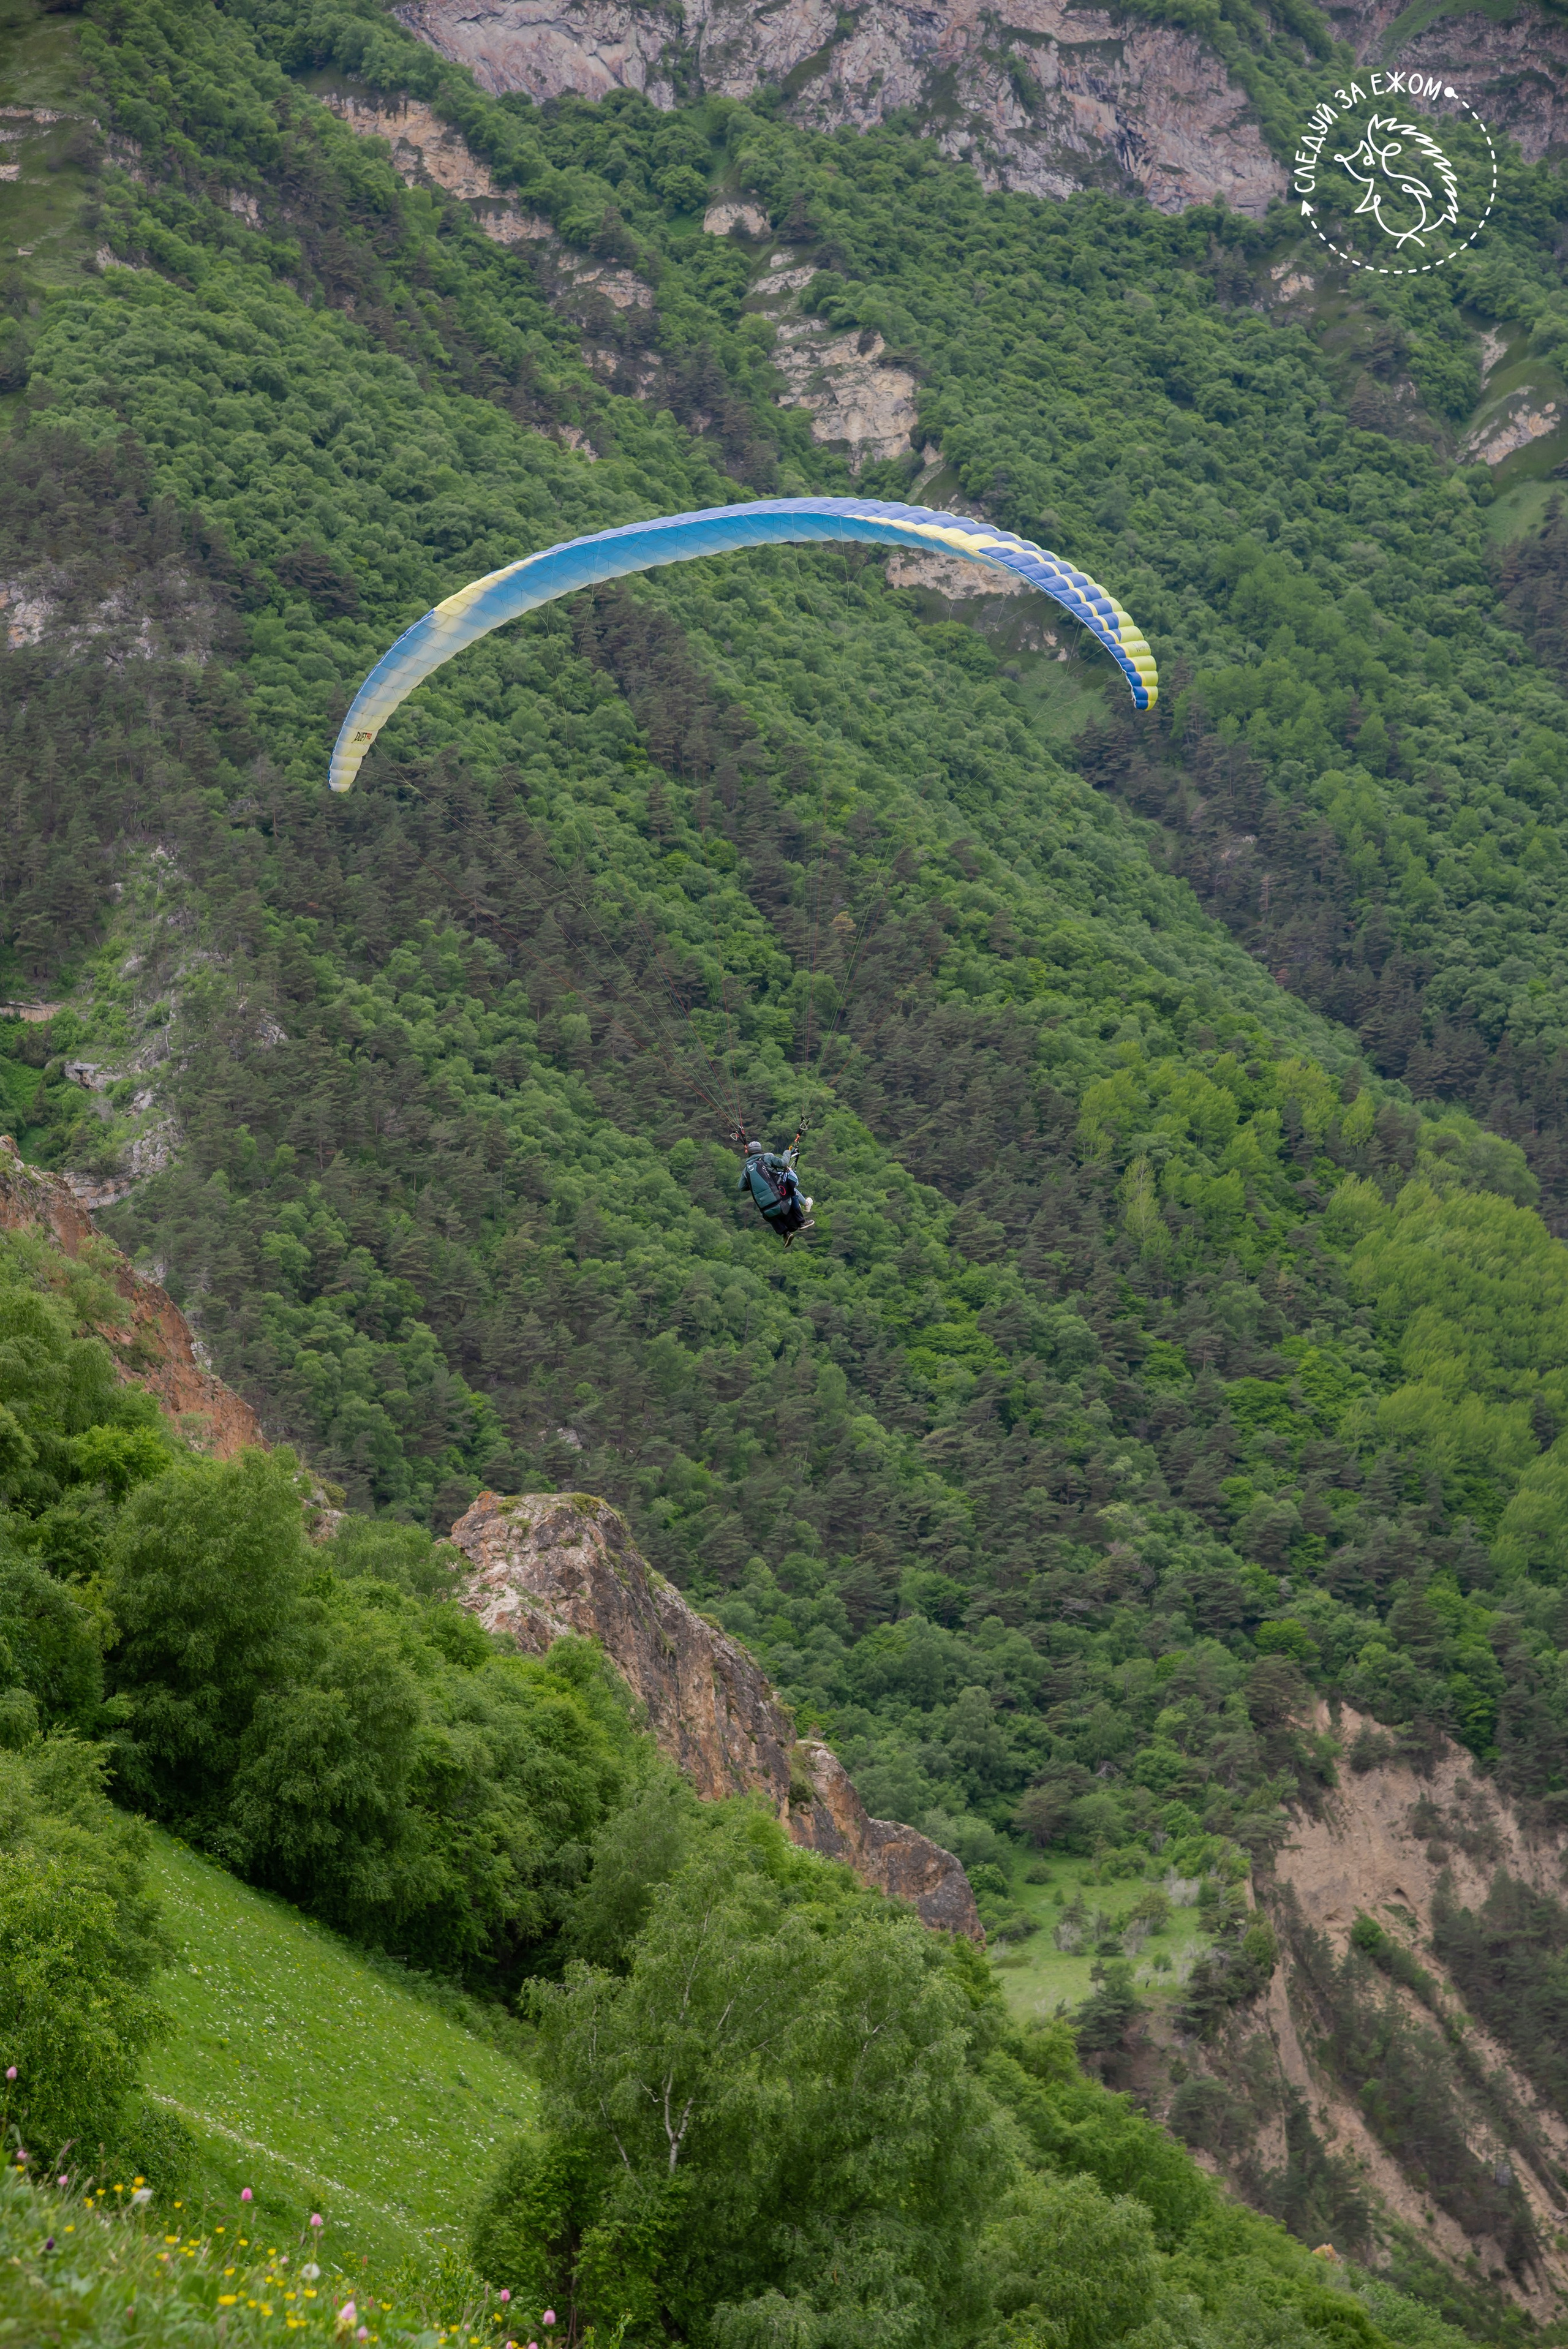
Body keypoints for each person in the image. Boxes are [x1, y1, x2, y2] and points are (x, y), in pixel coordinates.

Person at [737, 1136, 814, 1246]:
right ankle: (802, 1222)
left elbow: (741, 1187)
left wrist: (754, 1184)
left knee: (771, 1214)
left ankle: (786, 1234)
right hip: (781, 1203)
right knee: (792, 1192)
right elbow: (784, 1163)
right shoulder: (766, 1159)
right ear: (760, 1151)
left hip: (766, 1211)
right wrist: (788, 1152)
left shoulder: (747, 1169)